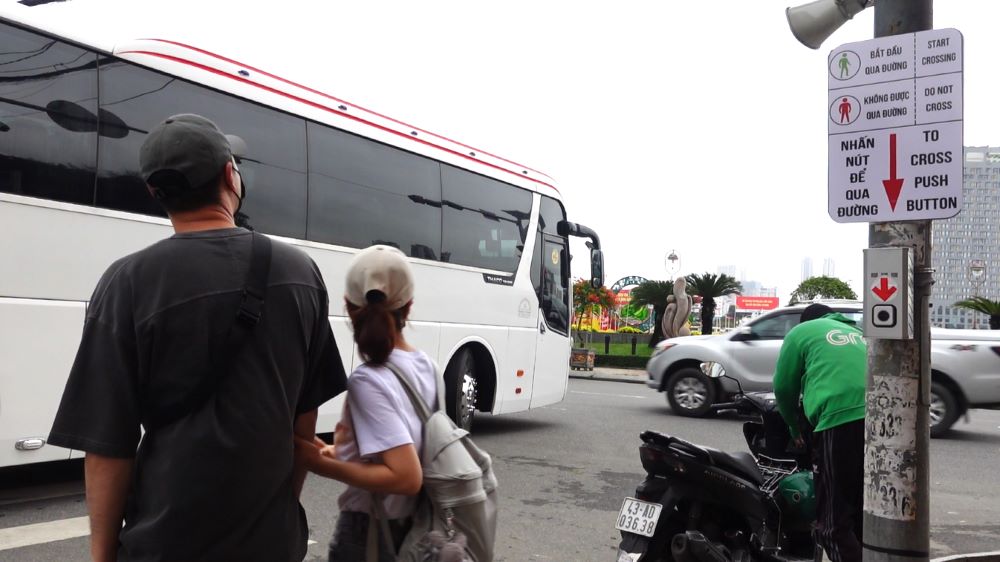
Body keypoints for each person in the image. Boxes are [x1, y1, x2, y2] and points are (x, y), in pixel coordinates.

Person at [47, 114, 347, 562]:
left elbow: (107, 446)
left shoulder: (127, 282)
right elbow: (304, 418)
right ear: (230, 175)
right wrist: (277, 510)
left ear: (155, 192)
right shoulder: (300, 272)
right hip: (271, 542)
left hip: (165, 544)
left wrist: (103, 555)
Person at [295, 245, 436, 562]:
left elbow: (406, 476)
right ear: (409, 306)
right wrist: (339, 451)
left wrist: (320, 463)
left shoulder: (368, 380)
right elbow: (412, 447)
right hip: (416, 529)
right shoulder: (427, 367)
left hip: (371, 536)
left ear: (348, 305)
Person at [773, 303, 866, 562]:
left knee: (832, 525)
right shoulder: (858, 333)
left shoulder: (801, 332)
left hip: (839, 418)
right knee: (863, 514)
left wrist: (794, 427)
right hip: (881, 420)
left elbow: (783, 388)